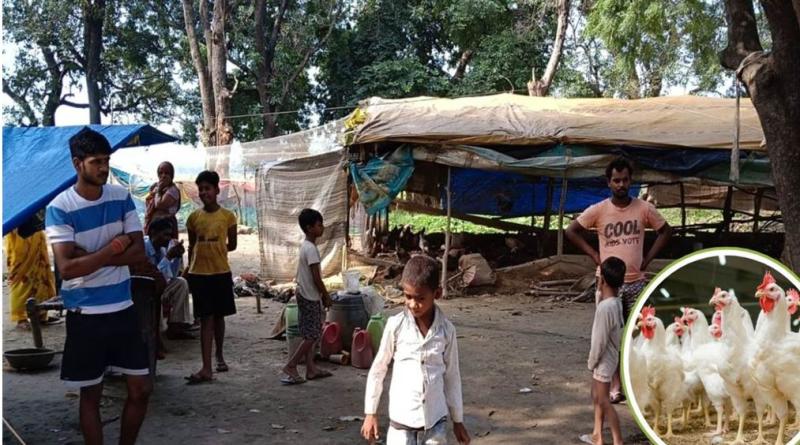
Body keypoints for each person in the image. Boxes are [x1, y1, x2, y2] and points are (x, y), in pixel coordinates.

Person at [45, 128, 151, 445]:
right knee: (91, 395)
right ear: (77, 164)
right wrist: (113, 249)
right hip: (85, 314)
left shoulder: (120, 197)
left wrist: (88, 258)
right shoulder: (60, 207)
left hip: (123, 307)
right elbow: (66, 268)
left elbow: (139, 253)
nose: (104, 168)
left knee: (141, 390)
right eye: (96, 162)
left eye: (106, 160)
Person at [565, 157, 672, 403]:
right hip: (609, 285)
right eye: (616, 180)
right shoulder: (599, 210)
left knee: (638, 333)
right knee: (611, 335)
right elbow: (571, 231)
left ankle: (637, 382)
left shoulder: (644, 208)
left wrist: (647, 259)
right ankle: (616, 385)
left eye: (625, 180)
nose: (621, 185)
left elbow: (666, 231)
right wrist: (595, 256)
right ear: (609, 182)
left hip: (636, 282)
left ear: (630, 181)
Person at [361, 255, 471, 445]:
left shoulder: (446, 331)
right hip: (401, 422)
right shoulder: (395, 326)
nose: (413, 304)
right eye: (408, 297)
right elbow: (378, 369)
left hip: (435, 421)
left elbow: (452, 375)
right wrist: (370, 413)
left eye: (420, 298)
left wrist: (458, 420)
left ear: (437, 293)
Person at [184, 170, 238, 384]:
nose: (204, 193)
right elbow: (192, 246)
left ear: (217, 190)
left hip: (221, 272)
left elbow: (232, 245)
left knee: (219, 317)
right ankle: (206, 367)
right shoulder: (193, 218)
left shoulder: (228, 217)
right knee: (206, 318)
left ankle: (219, 356)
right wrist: (188, 269)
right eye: (201, 189)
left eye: (207, 188)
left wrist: (216, 247)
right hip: (199, 274)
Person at [281, 208, 333, 384]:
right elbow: (316, 278)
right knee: (312, 335)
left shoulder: (306, 246)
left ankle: (311, 369)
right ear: (309, 228)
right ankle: (291, 365)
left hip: (303, 293)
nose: (322, 228)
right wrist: (325, 295)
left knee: (308, 334)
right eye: (319, 225)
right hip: (310, 296)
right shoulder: (311, 250)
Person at [580, 257, 626, 445]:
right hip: (611, 357)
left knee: (603, 401)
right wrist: (600, 289)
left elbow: (599, 340)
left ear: (603, 280)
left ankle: (617, 440)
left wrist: (592, 361)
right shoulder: (615, 302)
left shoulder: (605, 309)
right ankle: (596, 434)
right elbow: (602, 300)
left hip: (603, 359)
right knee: (596, 395)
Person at [5, 209, 58, 329]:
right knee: (21, 277)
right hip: (18, 235)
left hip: (36, 232)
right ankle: (20, 318)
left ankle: (41, 314)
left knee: (41, 273)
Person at [144, 218, 194, 340]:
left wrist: (176, 257)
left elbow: (171, 276)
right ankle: (158, 332)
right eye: (165, 234)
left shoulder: (162, 248)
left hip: (158, 285)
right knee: (157, 292)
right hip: (145, 288)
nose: (168, 238)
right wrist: (168, 257)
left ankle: (176, 325)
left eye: (170, 235)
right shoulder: (143, 248)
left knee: (181, 283)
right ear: (153, 232)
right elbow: (153, 276)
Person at [144, 161, 180, 239]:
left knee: (166, 245)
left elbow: (159, 204)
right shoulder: (156, 188)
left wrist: (159, 190)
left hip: (166, 228)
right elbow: (148, 202)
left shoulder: (172, 190)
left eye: (167, 173)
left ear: (171, 175)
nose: (163, 175)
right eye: (161, 173)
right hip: (154, 226)